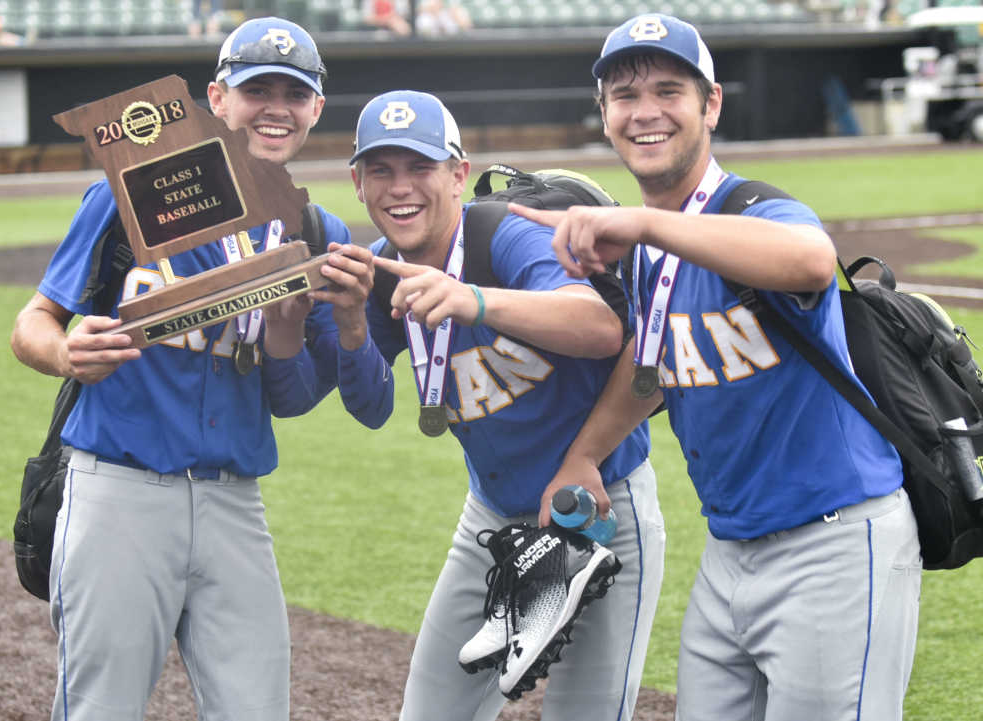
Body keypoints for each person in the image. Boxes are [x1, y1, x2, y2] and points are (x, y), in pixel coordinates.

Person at [512, 13, 922, 721]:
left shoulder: (751, 207)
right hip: (730, 549)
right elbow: (652, 362)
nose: (645, 112)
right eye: (624, 96)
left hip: (832, 540)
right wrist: (583, 455)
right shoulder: (646, 250)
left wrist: (642, 222)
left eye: (669, 90)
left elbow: (812, 261)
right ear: (605, 115)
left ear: (712, 104)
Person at [10, 16, 391, 721]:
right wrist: (67, 352)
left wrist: (285, 334)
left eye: (294, 93)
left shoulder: (315, 233)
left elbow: (293, 398)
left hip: (234, 504)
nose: (276, 107)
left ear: (315, 110)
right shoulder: (131, 196)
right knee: (100, 708)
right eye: (256, 89)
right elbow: (30, 324)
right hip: (120, 489)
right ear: (217, 99)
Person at [349, 89, 666, 720]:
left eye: (420, 168)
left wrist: (475, 300)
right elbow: (368, 406)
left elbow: (603, 327)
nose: (400, 187)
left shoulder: (504, 233)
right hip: (491, 523)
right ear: (357, 183)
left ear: (459, 174)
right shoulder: (384, 271)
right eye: (381, 170)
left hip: (599, 510)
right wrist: (349, 327)